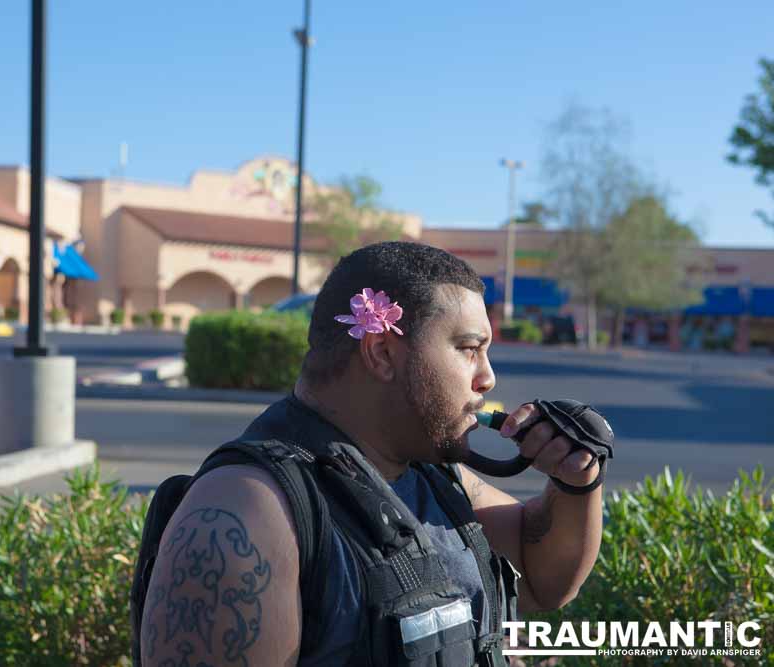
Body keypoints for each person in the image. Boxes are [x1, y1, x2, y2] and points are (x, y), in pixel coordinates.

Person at [137, 242, 604, 666]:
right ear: (381, 351)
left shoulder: (431, 474)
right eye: (468, 348)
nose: (487, 378)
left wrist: (575, 483)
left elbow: (542, 579)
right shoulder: (248, 509)